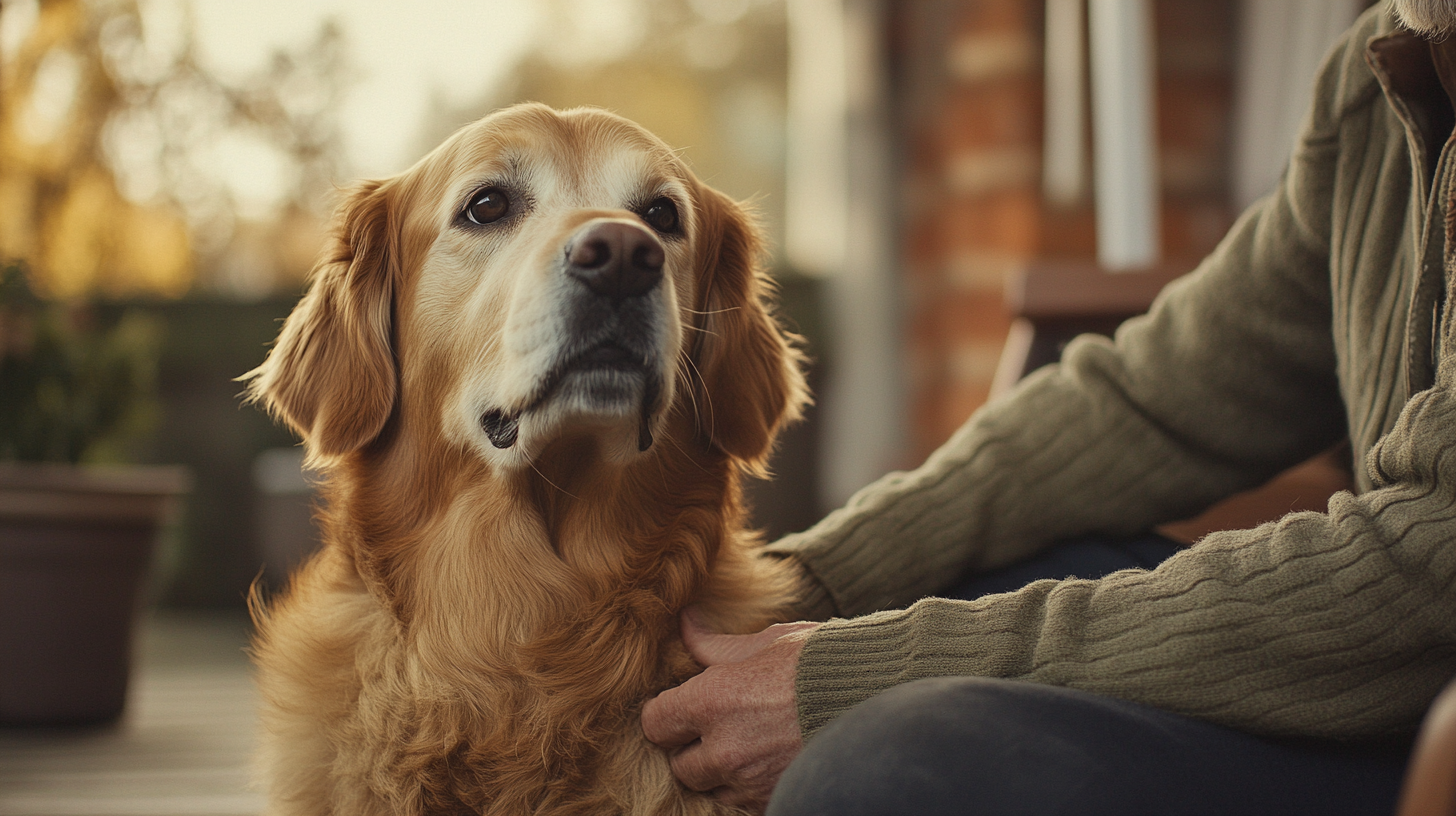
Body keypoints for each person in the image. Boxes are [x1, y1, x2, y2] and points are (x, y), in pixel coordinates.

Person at [640, 2, 1456, 814]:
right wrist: (808, 582)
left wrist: (856, 675)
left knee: (884, 770)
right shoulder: (1381, 70)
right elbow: (1150, 398)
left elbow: (1425, 569)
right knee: (946, 580)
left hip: (1426, 721)